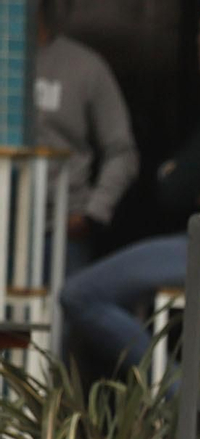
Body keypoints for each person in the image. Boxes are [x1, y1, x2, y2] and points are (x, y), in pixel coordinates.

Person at [59, 0, 200, 378]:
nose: (198, 45)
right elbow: (188, 182)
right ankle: (175, 391)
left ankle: (176, 392)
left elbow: (173, 187)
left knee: (80, 293)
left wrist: (180, 174)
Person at [33, 0, 138, 275]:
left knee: (63, 313)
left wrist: (92, 213)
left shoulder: (85, 66)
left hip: (60, 231)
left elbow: (122, 150)